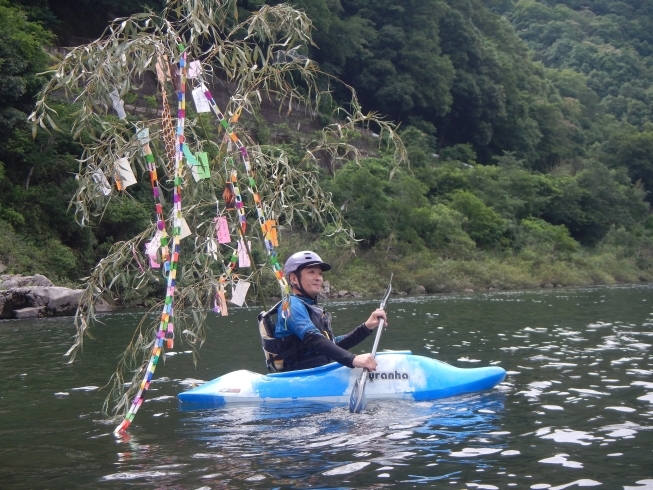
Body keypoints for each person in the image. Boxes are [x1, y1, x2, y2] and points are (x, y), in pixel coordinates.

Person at [259, 250, 388, 372]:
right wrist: (352, 359)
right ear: (293, 279)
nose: (318, 278)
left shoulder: (309, 306)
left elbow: (331, 345)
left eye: (320, 273)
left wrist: (366, 327)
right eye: (311, 272)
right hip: (299, 377)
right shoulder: (291, 305)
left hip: (317, 372)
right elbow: (314, 339)